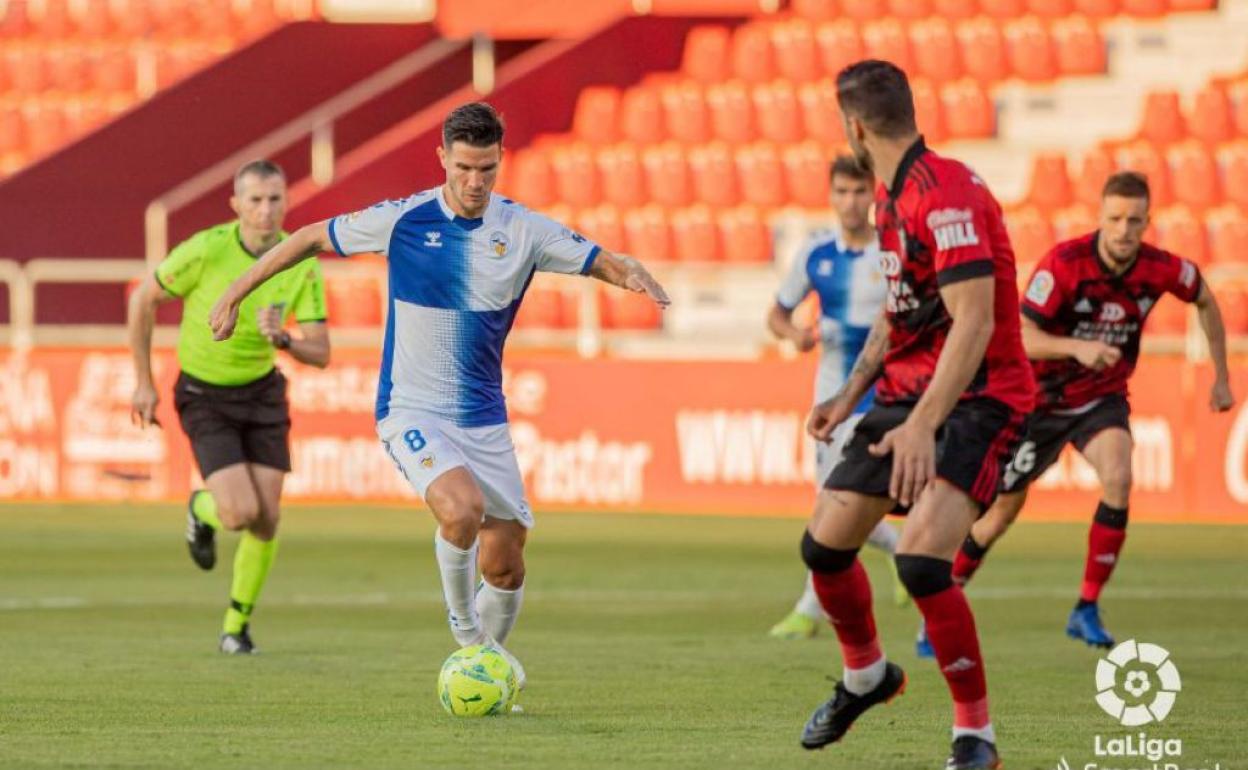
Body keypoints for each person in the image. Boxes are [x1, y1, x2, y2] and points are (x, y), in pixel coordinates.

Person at [205, 102, 669, 693]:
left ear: (501, 162)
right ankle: (466, 632)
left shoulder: (523, 230)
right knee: (461, 510)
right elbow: (307, 238)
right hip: (411, 410)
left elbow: (595, 258)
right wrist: (235, 293)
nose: (475, 183)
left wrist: (626, 271)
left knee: (506, 560)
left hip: (484, 421)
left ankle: (487, 668)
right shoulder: (403, 219)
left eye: (487, 170)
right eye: (464, 168)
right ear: (443, 159)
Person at [797, 60, 1034, 770]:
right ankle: (867, 675)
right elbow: (898, 317)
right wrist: (848, 396)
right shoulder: (889, 201)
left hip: (982, 399)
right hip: (908, 392)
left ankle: (974, 735)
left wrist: (923, 424)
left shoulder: (946, 193)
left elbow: (974, 321)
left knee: (924, 564)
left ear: (856, 125)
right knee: (823, 547)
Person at [919, 170, 1234, 652]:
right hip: (1036, 401)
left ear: (1147, 221)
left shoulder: (1163, 268)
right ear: (1100, 218)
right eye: (1115, 219)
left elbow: (1206, 297)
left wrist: (1221, 376)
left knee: (1120, 476)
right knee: (999, 513)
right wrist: (1076, 348)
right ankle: (945, 602)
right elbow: (1022, 336)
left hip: (1099, 399)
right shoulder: (1064, 265)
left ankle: (1086, 607)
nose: (1124, 230)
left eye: (1134, 220)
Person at [129, 159, 331, 654]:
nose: (266, 210)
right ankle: (203, 510)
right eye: (256, 200)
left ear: (287, 201)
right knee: (239, 513)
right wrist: (143, 382)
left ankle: (235, 628)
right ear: (236, 205)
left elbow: (321, 353)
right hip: (205, 394)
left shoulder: (300, 259)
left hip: (262, 391)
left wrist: (283, 339)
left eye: (275, 199)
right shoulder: (207, 249)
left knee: (267, 519)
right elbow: (142, 301)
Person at [767, 155, 906, 642]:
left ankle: (810, 609)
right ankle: (900, 547)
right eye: (843, 192)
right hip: (830, 398)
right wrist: (795, 335)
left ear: (874, 196)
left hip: (883, 397)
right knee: (839, 505)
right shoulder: (814, 253)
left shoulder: (890, 255)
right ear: (831, 195)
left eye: (860, 192)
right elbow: (777, 314)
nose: (851, 202)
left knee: (833, 505)